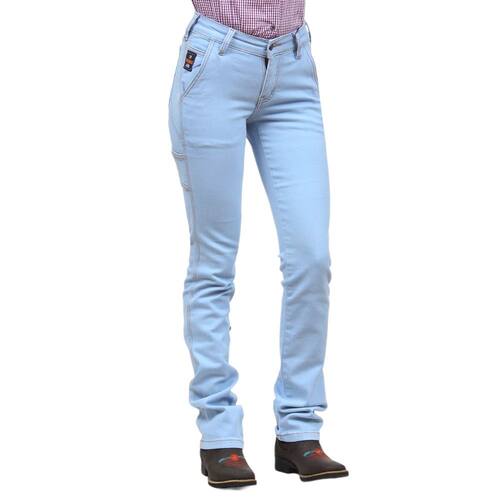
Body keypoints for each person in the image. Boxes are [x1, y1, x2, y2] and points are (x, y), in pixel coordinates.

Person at [168, 1, 348, 488]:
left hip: (293, 67)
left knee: (311, 257)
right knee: (213, 262)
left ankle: (299, 430)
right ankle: (219, 435)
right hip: (216, 63)